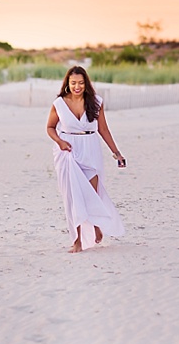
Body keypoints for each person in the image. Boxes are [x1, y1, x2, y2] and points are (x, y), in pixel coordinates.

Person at [46, 66, 126, 253]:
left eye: (81, 83)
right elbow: (50, 127)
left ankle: (97, 226)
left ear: (86, 83)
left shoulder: (96, 102)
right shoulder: (59, 103)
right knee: (73, 197)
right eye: (73, 83)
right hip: (68, 151)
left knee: (93, 193)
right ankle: (77, 240)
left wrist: (117, 153)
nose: (77, 86)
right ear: (67, 83)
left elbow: (103, 129)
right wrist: (60, 141)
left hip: (90, 149)